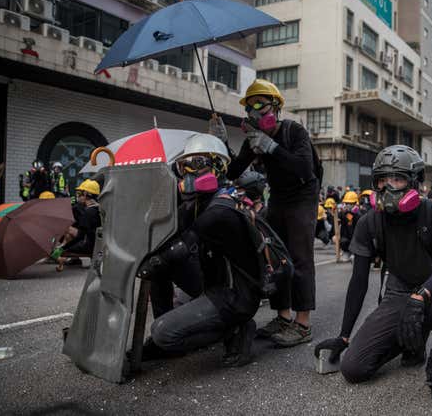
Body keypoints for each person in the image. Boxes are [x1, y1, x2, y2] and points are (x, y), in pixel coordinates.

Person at [314, 145, 432, 403]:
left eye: (398, 179)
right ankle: (412, 340)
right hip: (399, 294)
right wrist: (344, 336)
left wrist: (422, 295)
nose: (389, 187)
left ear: (415, 184)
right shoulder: (369, 222)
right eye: (382, 180)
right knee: (354, 369)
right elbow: (358, 282)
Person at [137, 134, 261, 367]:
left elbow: (180, 248)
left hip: (234, 295)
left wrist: (148, 264)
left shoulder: (222, 208)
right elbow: (167, 227)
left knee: (162, 333)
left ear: (219, 168)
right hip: (212, 280)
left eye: (199, 165)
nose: (190, 173)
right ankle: (176, 335)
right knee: (159, 269)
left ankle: (235, 329)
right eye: (184, 167)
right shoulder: (198, 204)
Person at [226, 79, 319, 347]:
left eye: (260, 106)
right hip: (277, 197)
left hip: (303, 196)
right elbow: (234, 171)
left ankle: (302, 324)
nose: (255, 113)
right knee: (276, 257)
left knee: (300, 258)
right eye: (250, 109)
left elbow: (303, 169)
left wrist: (271, 147)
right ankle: (283, 316)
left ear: (276, 108)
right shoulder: (254, 140)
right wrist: (222, 143)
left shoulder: (294, 131)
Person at [52, 179, 102, 266]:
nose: (77, 196)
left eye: (79, 194)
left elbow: (80, 237)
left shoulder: (87, 213)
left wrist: (63, 249)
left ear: (86, 194)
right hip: (99, 245)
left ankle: (66, 258)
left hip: (89, 247)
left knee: (63, 247)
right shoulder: (99, 209)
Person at [339, 191, 360, 262]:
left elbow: (352, 218)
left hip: (356, 238)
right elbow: (339, 218)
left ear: (354, 204)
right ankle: (347, 252)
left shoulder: (358, 214)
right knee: (343, 241)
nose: (347, 205)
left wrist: (350, 213)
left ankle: (354, 253)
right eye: (346, 203)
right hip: (346, 237)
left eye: (349, 203)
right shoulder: (345, 213)